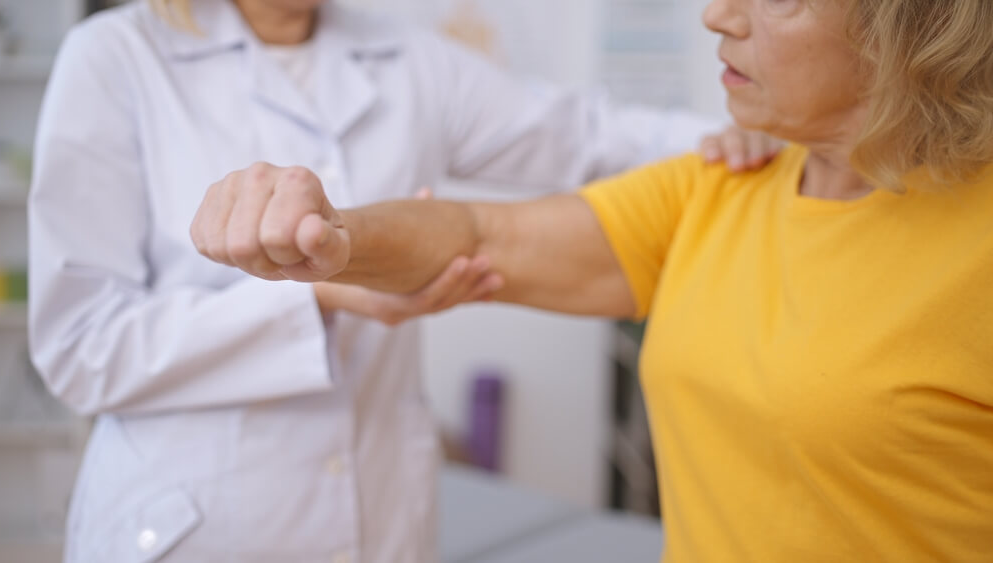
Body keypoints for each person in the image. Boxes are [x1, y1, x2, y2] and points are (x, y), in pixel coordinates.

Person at [192, 0, 993, 561]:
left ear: (911, 29)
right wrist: (338, 234)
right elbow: (480, 234)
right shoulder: (717, 188)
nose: (718, 13)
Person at [27, 0, 778, 560]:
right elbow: (79, 349)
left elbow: (586, 135)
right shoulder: (115, 57)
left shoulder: (407, 58)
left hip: (380, 516)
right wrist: (319, 298)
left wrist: (743, 139)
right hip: (195, 523)